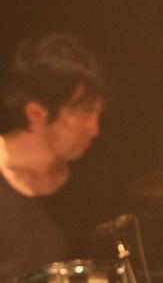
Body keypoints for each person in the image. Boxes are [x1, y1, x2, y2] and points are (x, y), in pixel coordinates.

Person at [0, 32, 109, 281]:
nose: (94, 129)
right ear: (36, 113)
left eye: (98, 113)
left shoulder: (88, 179)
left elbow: (96, 270)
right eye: (84, 113)